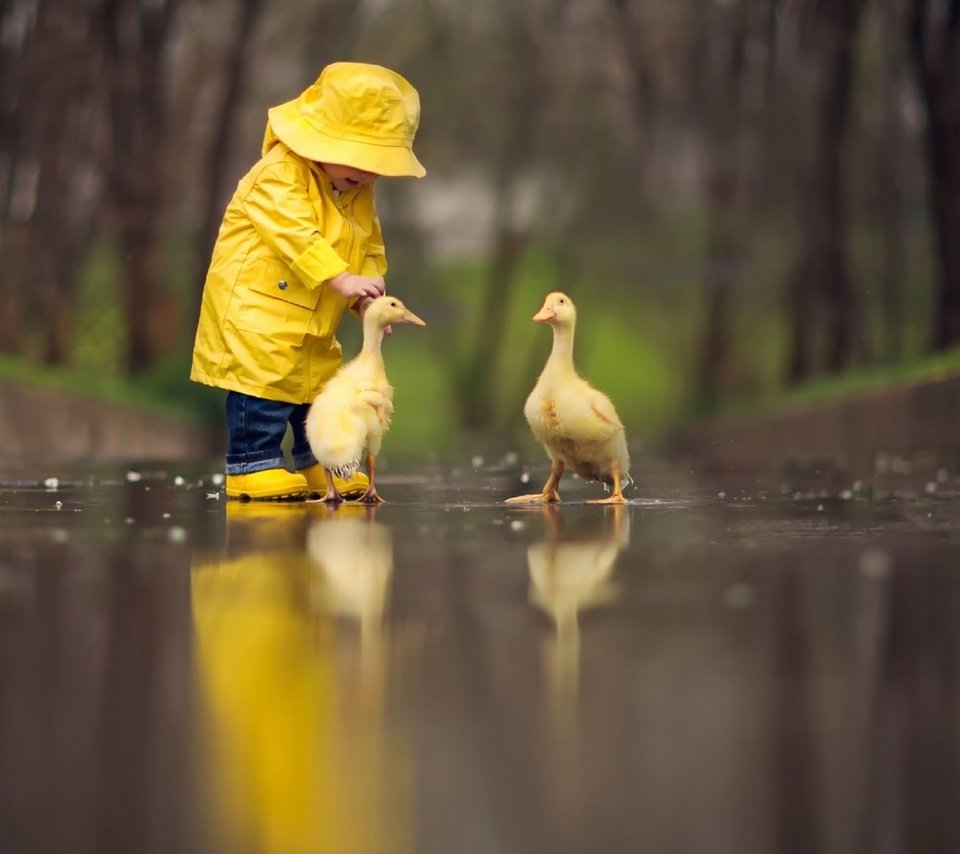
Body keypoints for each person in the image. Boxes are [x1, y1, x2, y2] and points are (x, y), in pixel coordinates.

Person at [190, 62, 426, 500]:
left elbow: (370, 244)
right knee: (262, 388)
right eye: (361, 160)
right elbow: (295, 233)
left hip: (316, 316)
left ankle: (324, 463)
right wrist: (339, 276)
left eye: (379, 166)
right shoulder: (277, 175)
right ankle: (250, 464)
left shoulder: (354, 190)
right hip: (258, 313)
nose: (369, 175)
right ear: (319, 139)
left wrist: (366, 295)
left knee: (320, 393)